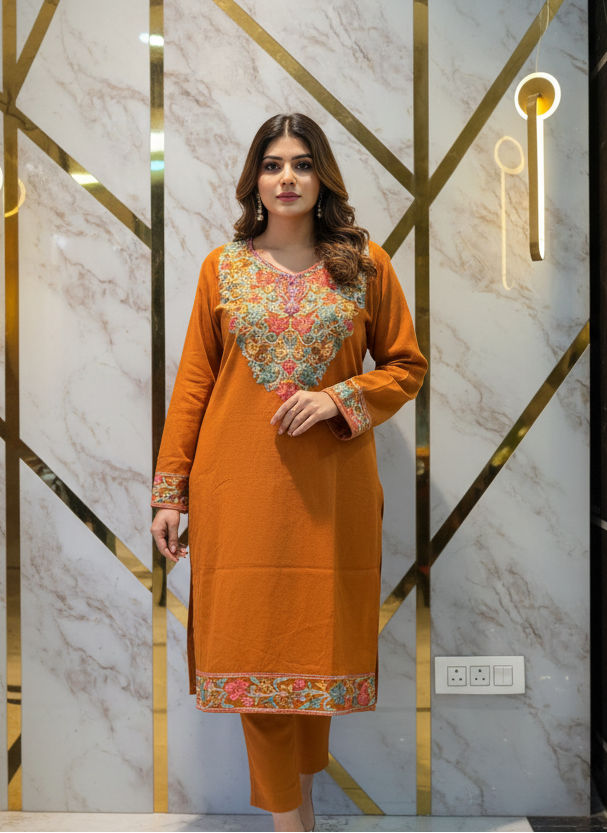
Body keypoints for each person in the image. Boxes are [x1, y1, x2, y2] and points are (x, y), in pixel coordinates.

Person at [150, 112, 428, 833]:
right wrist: (170, 491)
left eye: (302, 164)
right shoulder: (223, 268)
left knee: (311, 653)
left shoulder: (365, 265)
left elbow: (405, 367)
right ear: (254, 180)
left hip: (329, 492)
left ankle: (297, 808)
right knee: (254, 651)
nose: (286, 178)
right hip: (237, 489)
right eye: (272, 165)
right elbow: (194, 385)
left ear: (322, 177)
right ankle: (290, 823)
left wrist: (339, 396)